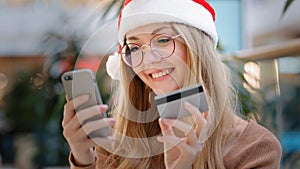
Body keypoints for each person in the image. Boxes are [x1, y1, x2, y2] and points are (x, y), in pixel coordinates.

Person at [62, 0, 282, 168]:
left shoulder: (256, 148)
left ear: (197, 48)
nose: (147, 61)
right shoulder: (118, 144)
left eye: (163, 40)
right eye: (135, 48)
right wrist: (83, 158)